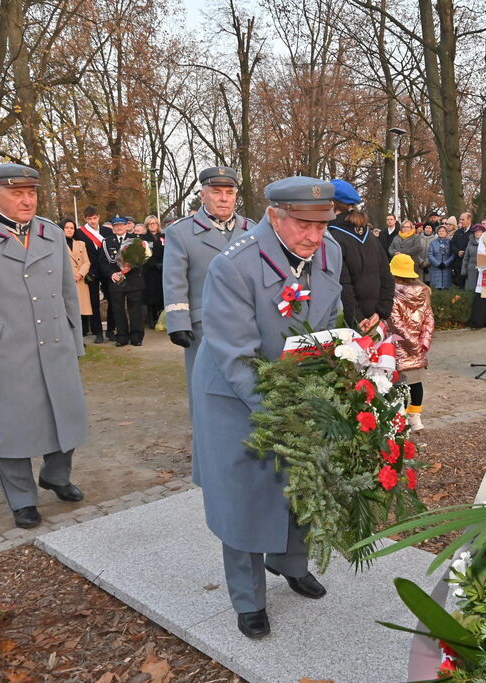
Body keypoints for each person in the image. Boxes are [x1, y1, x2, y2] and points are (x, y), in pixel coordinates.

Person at [191, 176, 342, 639]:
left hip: (296, 393)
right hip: (236, 398)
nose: (314, 237)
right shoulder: (232, 266)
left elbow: (328, 323)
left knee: (298, 483)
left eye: (322, 225)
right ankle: (248, 599)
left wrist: (334, 383)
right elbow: (236, 356)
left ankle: (289, 562)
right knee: (242, 500)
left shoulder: (328, 251)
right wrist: (283, 412)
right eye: (303, 225)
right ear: (274, 217)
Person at [0, 163, 87, 529]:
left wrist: (74, 343)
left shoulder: (51, 233)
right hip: (2, 351)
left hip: (53, 344)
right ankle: (22, 500)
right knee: (10, 429)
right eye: (17, 193)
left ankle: (56, 475)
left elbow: (68, 293)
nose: (27, 200)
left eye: (32, 192)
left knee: (65, 416)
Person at [164, 167, 254, 408]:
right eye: (216, 192)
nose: (224, 198)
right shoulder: (180, 232)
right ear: (203, 195)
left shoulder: (252, 231)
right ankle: (206, 440)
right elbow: (175, 280)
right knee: (205, 387)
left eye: (229, 192)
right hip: (204, 325)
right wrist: (178, 323)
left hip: (248, 323)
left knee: (248, 386)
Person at [326, 178, 394, 330]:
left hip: (349, 322)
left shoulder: (332, 237)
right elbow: (387, 277)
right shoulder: (369, 235)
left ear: (332, 204)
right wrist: (379, 312)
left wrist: (357, 318)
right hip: (373, 319)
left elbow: (342, 284)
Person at [387, 253, 434, 431]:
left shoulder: (392, 294)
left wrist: (412, 345)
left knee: (400, 384)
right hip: (418, 347)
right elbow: (429, 318)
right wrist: (423, 343)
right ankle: (416, 418)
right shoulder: (423, 291)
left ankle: (402, 418)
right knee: (416, 382)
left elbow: (395, 324)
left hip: (398, 346)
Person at [97, 217, 146, 346]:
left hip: (134, 279)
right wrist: (111, 274)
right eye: (116, 226)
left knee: (135, 309)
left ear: (126, 226)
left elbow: (143, 259)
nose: (118, 228)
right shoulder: (106, 242)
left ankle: (136, 336)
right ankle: (122, 336)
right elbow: (102, 262)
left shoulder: (135, 239)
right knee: (118, 310)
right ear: (112, 228)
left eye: (121, 225)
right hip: (116, 280)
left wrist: (132, 265)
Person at [75, 206, 107, 343]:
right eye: (89, 219)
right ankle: (98, 331)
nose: (93, 221)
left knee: (111, 299)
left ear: (99, 217)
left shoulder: (107, 231)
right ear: (85, 219)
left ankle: (111, 330)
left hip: (106, 270)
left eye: (95, 218)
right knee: (94, 302)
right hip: (91, 271)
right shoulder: (80, 233)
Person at [62, 219, 92, 322]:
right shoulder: (57, 244)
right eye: (66, 228)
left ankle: (82, 333)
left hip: (80, 280)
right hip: (66, 280)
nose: (69, 230)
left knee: (81, 310)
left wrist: (80, 273)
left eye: (72, 228)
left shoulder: (81, 244)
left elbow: (86, 262)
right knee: (68, 309)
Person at [143, 215, 165, 325]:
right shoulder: (143, 238)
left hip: (163, 269)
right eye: (150, 223)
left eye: (154, 223)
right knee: (151, 294)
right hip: (149, 270)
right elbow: (143, 255)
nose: (152, 225)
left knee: (161, 294)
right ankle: (151, 318)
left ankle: (161, 317)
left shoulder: (163, 236)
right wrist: (154, 264)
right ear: (146, 225)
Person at [450, 212, 475, 287]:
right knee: (460, 284)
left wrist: (465, 252)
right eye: (460, 219)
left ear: (469, 220)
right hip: (458, 262)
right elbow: (452, 244)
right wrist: (457, 252)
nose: (460, 221)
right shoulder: (458, 232)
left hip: (470, 262)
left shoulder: (474, 232)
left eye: (463, 219)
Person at [427, 225, 455, 290]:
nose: (441, 232)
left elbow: (453, 254)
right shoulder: (433, 243)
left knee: (446, 288)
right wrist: (438, 264)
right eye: (439, 231)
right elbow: (430, 254)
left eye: (443, 231)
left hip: (447, 268)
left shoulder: (450, 242)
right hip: (435, 268)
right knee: (436, 288)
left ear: (446, 232)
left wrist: (446, 263)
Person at [461, 223, 485, 294]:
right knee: (471, 287)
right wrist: (464, 270)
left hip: (482, 268)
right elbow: (466, 258)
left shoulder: (485, 242)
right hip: (471, 268)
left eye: (479, 232)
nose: (477, 233)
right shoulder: (470, 243)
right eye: (475, 232)